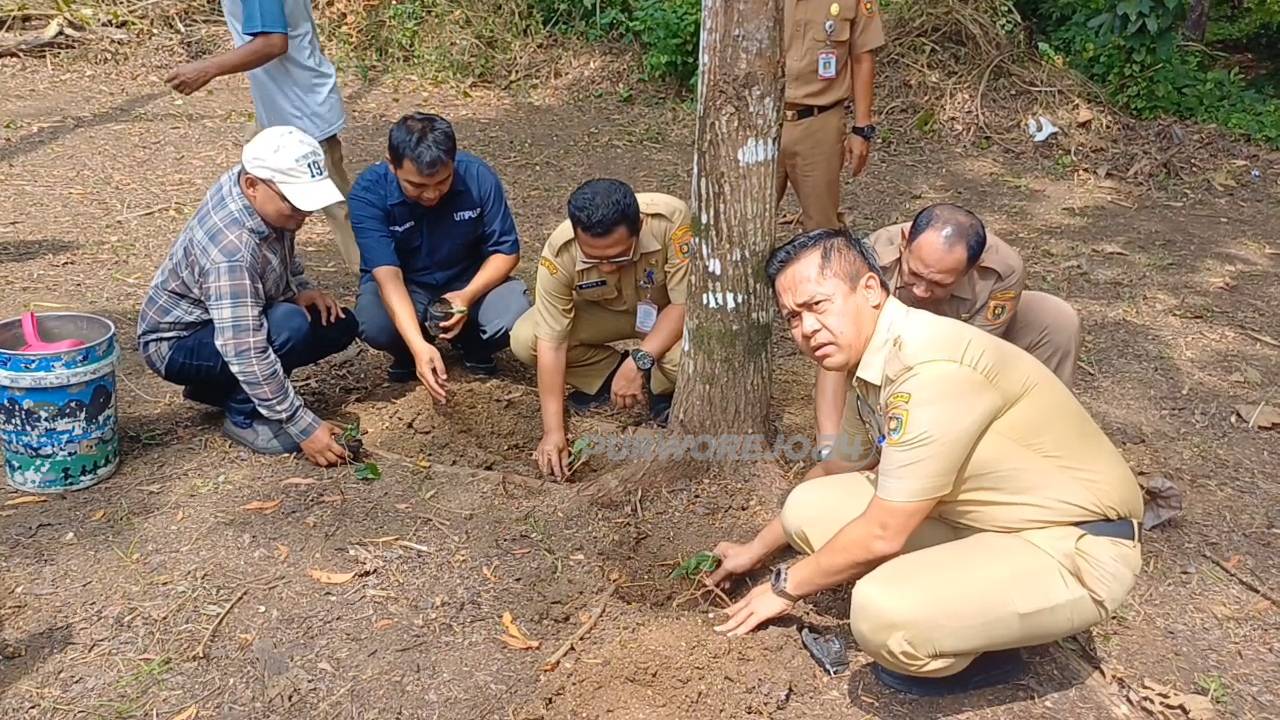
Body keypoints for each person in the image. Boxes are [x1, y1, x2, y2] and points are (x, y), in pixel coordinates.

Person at [708, 227, 1142, 697]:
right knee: (806, 508)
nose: (806, 329)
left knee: (882, 615)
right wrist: (756, 549)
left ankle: (990, 651)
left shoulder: (929, 369)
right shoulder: (874, 362)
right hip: (984, 521)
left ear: (870, 289)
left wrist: (782, 586)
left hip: (1070, 544)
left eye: (817, 305)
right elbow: (839, 468)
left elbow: (884, 531)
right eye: (792, 317)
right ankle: (965, 599)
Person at [138, 126, 357, 466]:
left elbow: (281, 248)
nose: (305, 213)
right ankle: (244, 416)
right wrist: (302, 426)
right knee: (290, 326)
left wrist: (299, 287)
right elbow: (243, 348)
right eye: (294, 201)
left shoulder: (255, 190)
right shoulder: (231, 251)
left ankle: (216, 388)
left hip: (223, 321)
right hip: (177, 342)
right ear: (253, 186)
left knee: (338, 324)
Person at [510, 179, 691, 478]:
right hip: (605, 315)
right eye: (594, 258)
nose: (606, 266)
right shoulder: (560, 251)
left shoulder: (670, 221)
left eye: (618, 255)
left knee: (684, 361)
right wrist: (553, 431)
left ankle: (658, 385)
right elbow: (551, 342)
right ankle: (609, 375)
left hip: (665, 314)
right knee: (525, 339)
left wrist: (640, 360)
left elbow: (684, 305)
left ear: (640, 226)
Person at [164, 0, 359, 272]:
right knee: (251, 193)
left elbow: (272, 43)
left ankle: (380, 285)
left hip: (302, 110)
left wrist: (207, 68)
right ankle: (257, 271)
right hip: (279, 107)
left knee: (338, 208)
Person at [349, 113, 530, 400]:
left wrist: (466, 296)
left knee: (516, 309)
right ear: (391, 164)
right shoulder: (368, 193)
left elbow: (505, 252)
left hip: (469, 281)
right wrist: (417, 344)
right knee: (373, 322)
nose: (432, 194)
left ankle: (473, 346)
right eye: (417, 186)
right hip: (407, 285)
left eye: (443, 181)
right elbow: (388, 276)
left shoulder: (478, 177)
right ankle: (410, 352)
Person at [777, 0, 885, 231]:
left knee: (821, 229)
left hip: (819, 124)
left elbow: (862, 56)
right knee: (744, 223)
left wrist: (861, 129)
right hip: (760, 122)